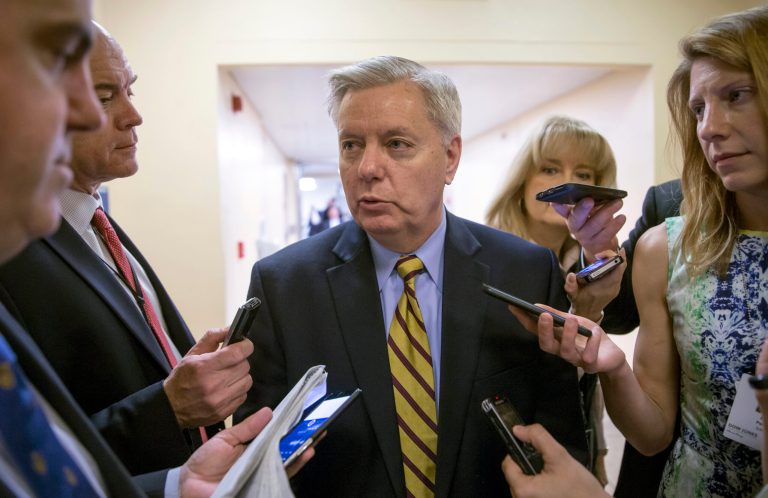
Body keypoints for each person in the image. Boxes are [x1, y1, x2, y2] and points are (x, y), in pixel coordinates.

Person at [234, 55, 588, 497]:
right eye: (351, 145)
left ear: (450, 157)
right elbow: (259, 465)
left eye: (397, 144)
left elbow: (561, 446)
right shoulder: (284, 286)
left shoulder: (525, 272)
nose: (366, 168)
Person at [0, 0, 313, 496]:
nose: (134, 114)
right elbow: (39, 446)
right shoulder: (14, 247)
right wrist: (167, 410)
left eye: (128, 90)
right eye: (104, 95)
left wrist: (182, 478)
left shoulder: (98, 222)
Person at [515, 5, 768, 496]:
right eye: (698, 109)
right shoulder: (668, 244)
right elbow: (652, 430)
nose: (710, 127)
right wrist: (612, 365)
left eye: (736, 96)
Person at [485, 115, 625, 485]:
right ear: (524, 181)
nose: (565, 182)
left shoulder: (587, 265)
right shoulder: (488, 259)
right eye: (549, 168)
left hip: (577, 446)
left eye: (584, 172)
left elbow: (580, 376)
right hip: (500, 451)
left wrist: (590, 307)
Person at [557, 178, 682, 497]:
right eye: (699, 122)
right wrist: (595, 257)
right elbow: (621, 309)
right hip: (667, 464)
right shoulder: (670, 205)